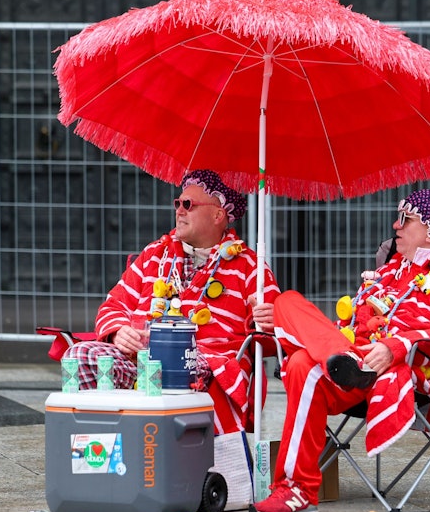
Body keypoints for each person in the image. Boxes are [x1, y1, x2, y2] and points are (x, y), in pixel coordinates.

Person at [250, 189, 430, 512]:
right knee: (285, 302)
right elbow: (349, 321)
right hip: (351, 358)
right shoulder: (390, 271)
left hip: (390, 370)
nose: (395, 225)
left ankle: (297, 490)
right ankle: (334, 358)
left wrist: (396, 346)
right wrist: (285, 323)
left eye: (405, 219)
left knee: (305, 362)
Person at [63, 169, 280, 435]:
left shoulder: (251, 267)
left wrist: (269, 322)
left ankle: (156, 447)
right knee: (79, 355)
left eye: (188, 204)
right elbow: (113, 306)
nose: (179, 210)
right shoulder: (155, 253)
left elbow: (275, 340)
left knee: (177, 365)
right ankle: (103, 452)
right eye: (178, 203)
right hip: (139, 360)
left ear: (218, 214)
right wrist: (119, 332)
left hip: (202, 364)